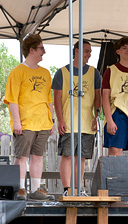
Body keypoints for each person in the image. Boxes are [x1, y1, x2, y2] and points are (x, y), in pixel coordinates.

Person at [4, 33, 55, 201]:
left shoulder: (46, 73)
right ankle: (19, 189)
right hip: (25, 123)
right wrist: (17, 121)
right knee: (21, 157)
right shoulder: (17, 72)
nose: (44, 52)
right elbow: (12, 99)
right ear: (31, 50)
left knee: (38, 156)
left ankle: (35, 190)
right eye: (41, 48)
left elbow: (49, 99)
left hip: (43, 122)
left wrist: (51, 120)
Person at [52, 40, 101, 195]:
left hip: (87, 123)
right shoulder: (62, 72)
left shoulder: (94, 73)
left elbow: (98, 97)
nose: (89, 54)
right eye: (87, 51)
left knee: (81, 158)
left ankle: (78, 189)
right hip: (68, 122)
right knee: (67, 156)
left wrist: (97, 116)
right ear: (77, 51)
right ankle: (67, 189)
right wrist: (60, 120)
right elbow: (57, 99)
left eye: (90, 51)